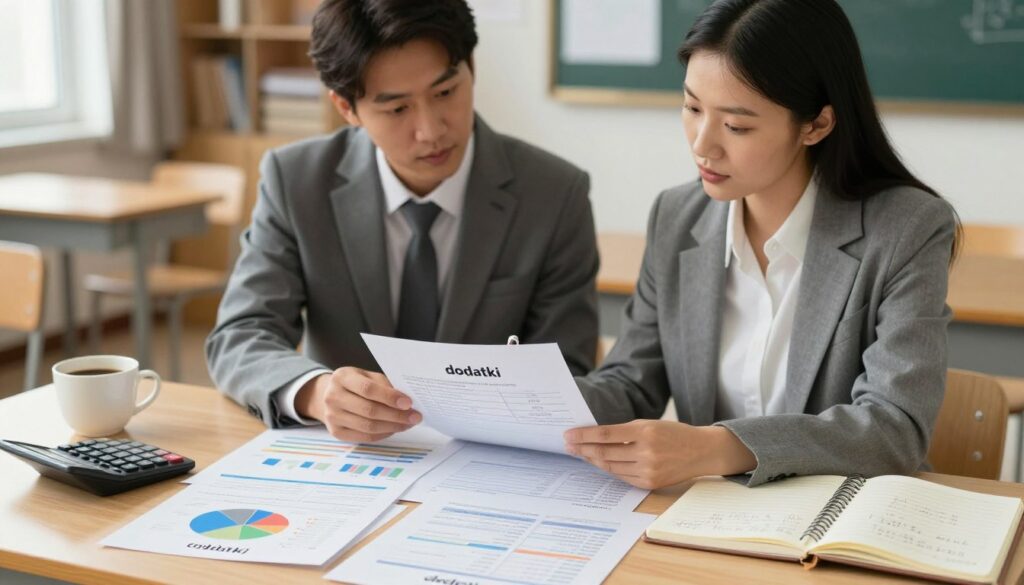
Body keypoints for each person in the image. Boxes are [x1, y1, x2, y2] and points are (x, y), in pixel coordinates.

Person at [565, 0, 960, 489]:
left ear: (816, 124)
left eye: (736, 126)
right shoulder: (676, 216)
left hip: (837, 523)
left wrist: (716, 448)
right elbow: (631, 383)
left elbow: (893, 428)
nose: (702, 144)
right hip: (710, 519)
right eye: (691, 108)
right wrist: (519, 402)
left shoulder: (907, 228)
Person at [206, 0, 599, 439]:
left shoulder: (554, 193)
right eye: (397, 109)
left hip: (493, 461)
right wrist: (318, 392)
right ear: (346, 108)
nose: (430, 130)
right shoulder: (297, 182)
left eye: (446, 92)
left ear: (471, 67)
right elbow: (240, 335)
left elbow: (569, 367)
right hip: (347, 460)